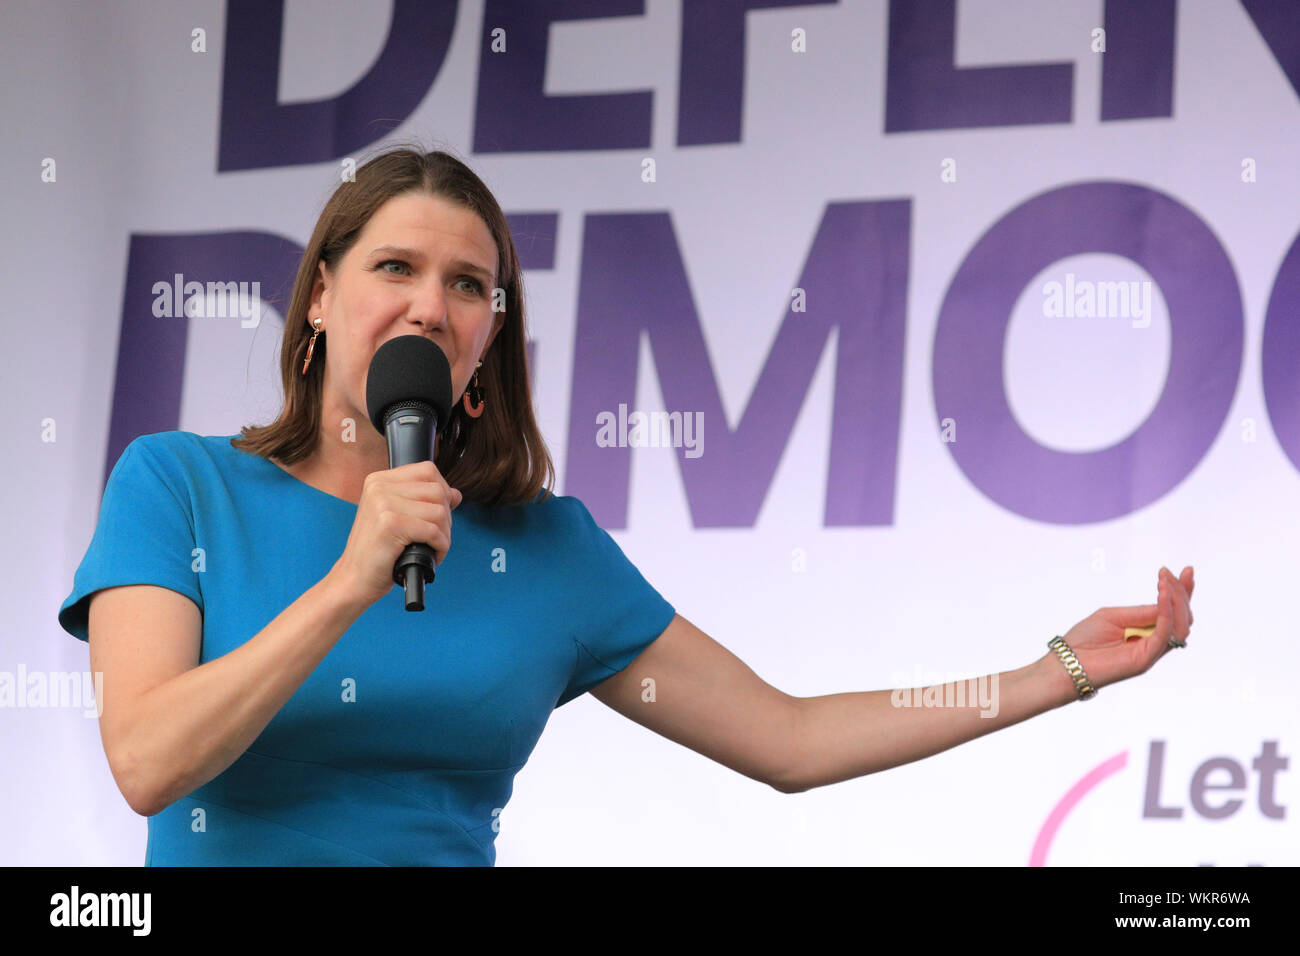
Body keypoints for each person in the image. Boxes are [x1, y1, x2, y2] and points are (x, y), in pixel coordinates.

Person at [58, 144, 1197, 866]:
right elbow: (150, 758)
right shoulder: (180, 483)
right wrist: (351, 579)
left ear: (490, 333)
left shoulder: (546, 550)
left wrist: (1057, 668)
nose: (429, 306)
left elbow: (790, 736)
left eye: (468, 285)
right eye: (393, 268)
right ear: (320, 296)